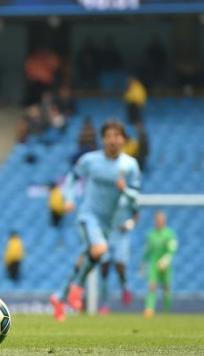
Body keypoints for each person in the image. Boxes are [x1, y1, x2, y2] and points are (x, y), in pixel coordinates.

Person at [50, 120, 140, 322]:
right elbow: (71, 178)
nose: (113, 140)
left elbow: (136, 196)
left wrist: (124, 189)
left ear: (123, 140)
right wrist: (70, 199)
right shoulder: (90, 160)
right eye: (108, 136)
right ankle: (77, 289)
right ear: (103, 139)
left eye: (117, 136)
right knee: (99, 250)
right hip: (88, 216)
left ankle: (59, 296)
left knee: (88, 257)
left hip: (107, 224)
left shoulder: (130, 165)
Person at [98, 197, 138, 314]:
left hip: (121, 237)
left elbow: (136, 214)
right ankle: (104, 304)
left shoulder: (128, 196)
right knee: (104, 268)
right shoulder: (105, 194)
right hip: (106, 235)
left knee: (120, 266)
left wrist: (129, 224)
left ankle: (125, 287)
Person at [142, 211, 177, 318]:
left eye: (161, 220)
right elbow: (147, 251)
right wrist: (143, 264)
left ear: (164, 221)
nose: (159, 222)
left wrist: (167, 258)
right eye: (158, 220)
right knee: (152, 286)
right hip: (153, 264)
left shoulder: (169, 234)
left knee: (166, 287)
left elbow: (172, 248)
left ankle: (166, 311)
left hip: (165, 264)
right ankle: (149, 309)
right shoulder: (151, 234)